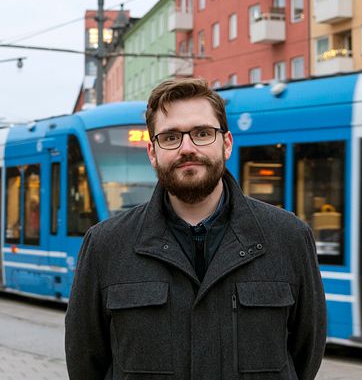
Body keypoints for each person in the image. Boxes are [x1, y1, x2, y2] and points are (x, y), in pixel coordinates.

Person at [65, 79, 326, 380]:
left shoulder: (289, 238)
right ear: (152, 152)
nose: (187, 148)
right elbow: (86, 363)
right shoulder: (105, 245)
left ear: (226, 143)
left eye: (202, 133)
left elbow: (305, 353)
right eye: (171, 137)